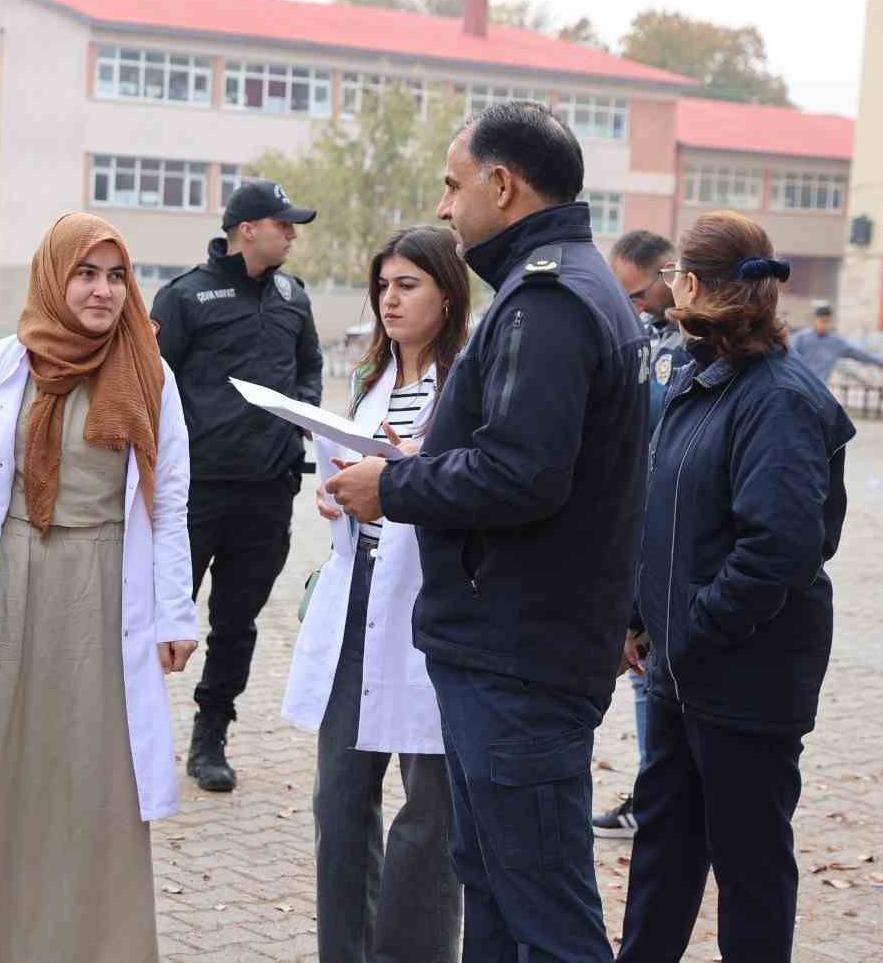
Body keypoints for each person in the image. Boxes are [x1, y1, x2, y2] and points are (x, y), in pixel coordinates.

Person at [324, 100, 651, 963]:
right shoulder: (553, 287)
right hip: (512, 646)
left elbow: (521, 473)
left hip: (523, 659)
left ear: (502, 185)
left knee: (545, 907)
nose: (444, 206)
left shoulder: (548, 298)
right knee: (498, 888)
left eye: (453, 184)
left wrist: (396, 483)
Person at [0, 211, 196, 963]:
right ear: (52, 276)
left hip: (101, 591)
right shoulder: (1, 363)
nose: (102, 291)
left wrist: (173, 613)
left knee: (92, 775)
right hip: (8, 588)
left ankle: (93, 943)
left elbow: (167, 504)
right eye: (85, 272)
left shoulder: (149, 373)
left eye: (116, 275)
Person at [617, 212, 854, 963]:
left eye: (671, 277)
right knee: (664, 848)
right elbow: (661, 511)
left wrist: (691, 628)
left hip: (745, 675)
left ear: (688, 284)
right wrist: (638, 615)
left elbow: (780, 548)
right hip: (681, 668)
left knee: (748, 866)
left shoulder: (777, 399)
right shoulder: (698, 379)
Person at [284, 226, 469, 963]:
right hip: (358, 592)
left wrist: (406, 477)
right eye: (383, 286)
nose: (390, 300)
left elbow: (474, 481)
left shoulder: (467, 384)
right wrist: (339, 495)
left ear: (447, 294)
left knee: (429, 808)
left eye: (408, 285)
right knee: (340, 799)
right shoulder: (369, 380)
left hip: (430, 606)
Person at [150, 179, 322, 793]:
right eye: (285, 224)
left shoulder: (291, 296)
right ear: (248, 229)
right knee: (159, 613)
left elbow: (310, 365)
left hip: (268, 490)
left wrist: (303, 414)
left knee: (237, 621)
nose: (293, 234)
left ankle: (210, 736)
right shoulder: (186, 297)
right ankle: (131, 731)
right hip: (194, 492)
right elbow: (149, 380)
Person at [596, 228, 692, 840]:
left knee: (662, 672)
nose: (629, 306)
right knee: (643, 673)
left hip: (677, 535)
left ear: (667, 274)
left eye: (635, 293)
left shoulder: (690, 347)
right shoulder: (650, 339)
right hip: (640, 531)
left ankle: (662, 795)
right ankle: (656, 790)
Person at [790, 299, 883, 384]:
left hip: (820, 390)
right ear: (815, 320)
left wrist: (880, 362)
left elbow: (858, 353)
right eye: (822, 321)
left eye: (828, 321)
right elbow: (789, 358)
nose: (825, 325)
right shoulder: (802, 338)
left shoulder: (836, 342)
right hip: (800, 386)